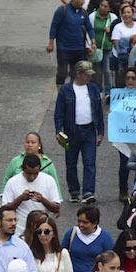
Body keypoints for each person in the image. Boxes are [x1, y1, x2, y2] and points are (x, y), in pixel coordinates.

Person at [54, 60, 104, 204]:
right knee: (71, 163)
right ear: (78, 74)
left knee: (90, 163)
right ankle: (74, 191)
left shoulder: (93, 88)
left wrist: (100, 131)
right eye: (86, 75)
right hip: (71, 131)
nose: (88, 78)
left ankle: (88, 192)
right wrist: (58, 131)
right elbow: (59, 113)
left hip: (89, 131)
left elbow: (99, 112)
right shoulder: (65, 90)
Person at [61, 205, 115, 272]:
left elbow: (111, 260)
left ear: (95, 223)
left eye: (85, 222)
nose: (80, 225)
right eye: (79, 221)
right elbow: (61, 255)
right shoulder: (71, 233)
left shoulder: (105, 237)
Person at [2, 132, 62, 197]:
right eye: (27, 142)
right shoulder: (15, 161)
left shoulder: (47, 162)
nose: (29, 145)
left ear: (39, 145)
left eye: (33, 142)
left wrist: (57, 199)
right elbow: (6, 179)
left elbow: (55, 182)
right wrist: (4, 194)